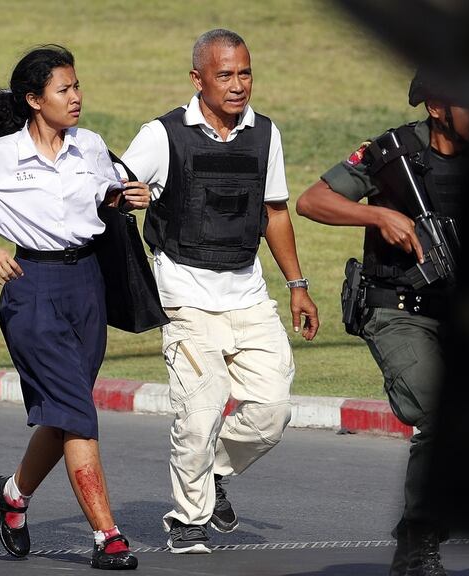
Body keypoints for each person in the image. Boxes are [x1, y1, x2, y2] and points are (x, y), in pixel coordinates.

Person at [0, 45, 149, 571]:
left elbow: (103, 197)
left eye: (76, 87)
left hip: (88, 284)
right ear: (33, 100)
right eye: (63, 89)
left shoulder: (90, 145)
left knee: (63, 411)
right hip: (32, 288)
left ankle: (13, 495)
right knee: (78, 412)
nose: (76, 97)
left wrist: (123, 198)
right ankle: (107, 536)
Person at [119, 29, 319, 554]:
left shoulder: (265, 133)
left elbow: (275, 211)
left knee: (272, 412)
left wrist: (297, 284)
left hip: (248, 293)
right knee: (200, 413)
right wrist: (125, 196)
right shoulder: (162, 135)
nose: (238, 85)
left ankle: (211, 476)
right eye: (225, 75)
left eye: (245, 73)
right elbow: (112, 190)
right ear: (198, 79)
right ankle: (187, 519)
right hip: (184, 297)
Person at [295, 69, 469, 576]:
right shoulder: (393, 152)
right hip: (400, 310)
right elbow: (312, 200)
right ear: (437, 106)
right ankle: (418, 537)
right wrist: (380, 217)